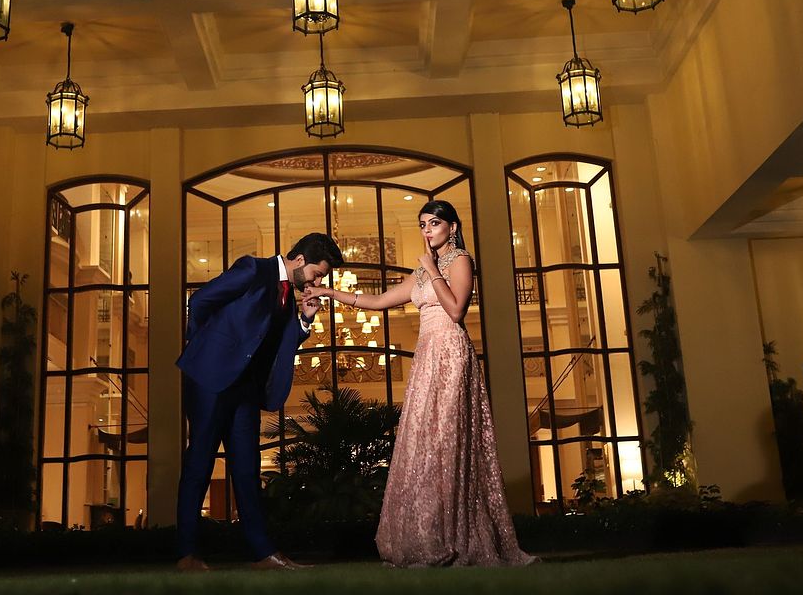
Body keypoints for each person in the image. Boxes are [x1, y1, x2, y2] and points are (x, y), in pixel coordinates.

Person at [306, 201, 535, 567]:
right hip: (427, 356)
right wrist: (331, 294)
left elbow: (456, 310)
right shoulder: (422, 271)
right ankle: (425, 537)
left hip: (451, 354)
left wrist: (431, 269)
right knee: (424, 444)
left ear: (452, 227)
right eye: (423, 224)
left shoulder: (460, 261)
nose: (427, 230)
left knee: (447, 440)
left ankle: (457, 538)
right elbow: (380, 300)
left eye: (434, 223)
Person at [175, 232, 344, 572]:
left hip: (246, 390)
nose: (317, 282)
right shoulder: (253, 269)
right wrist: (207, 349)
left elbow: (279, 341)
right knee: (199, 464)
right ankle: (187, 554)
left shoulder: (289, 294)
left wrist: (305, 319)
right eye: (317, 274)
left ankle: (263, 553)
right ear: (299, 260)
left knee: (247, 469)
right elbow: (202, 300)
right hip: (211, 379)